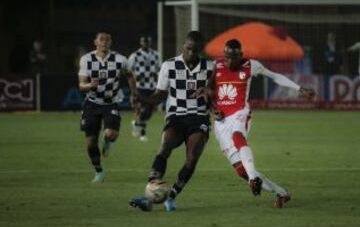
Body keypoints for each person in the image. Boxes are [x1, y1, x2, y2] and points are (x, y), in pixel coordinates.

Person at [195, 39, 315, 208]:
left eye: (234, 58)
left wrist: (299, 89)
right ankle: (282, 193)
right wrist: (212, 110)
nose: (230, 61)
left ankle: (253, 178)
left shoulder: (252, 65)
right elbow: (209, 90)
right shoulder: (218, 65)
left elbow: (275, 76)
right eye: (227, 57)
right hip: (221, 122)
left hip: (240, 113)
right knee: (240, 170)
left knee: (238, 136)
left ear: (241, 55)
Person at [129, 31, 213, 211]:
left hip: (199, 117)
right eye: (188, 49)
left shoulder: (210, 67)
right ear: (183, 45)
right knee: (165, 145)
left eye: (195, 50)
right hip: (176, 116)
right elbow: (159, 96)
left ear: (201, 50)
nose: (191, 53)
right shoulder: (169, 66)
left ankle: (172, 196)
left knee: (192, 158)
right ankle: (150, 194)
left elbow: (216, 95)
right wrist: (140, 98)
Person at [78, 31, 137, 183]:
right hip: (91, 103)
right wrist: (89, 85)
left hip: (111, 103)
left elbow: (130, 75)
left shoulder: (120, 59)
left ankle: (108, 141)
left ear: (110, 43)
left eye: (107, 40)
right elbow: (81, 84)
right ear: (95, 42)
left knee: (111, 134)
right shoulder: (86, 59)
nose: (104, 42)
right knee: (91, 142)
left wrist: (134, 94)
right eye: (101, 39)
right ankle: (99, 171)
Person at [128, 36, 160, 141]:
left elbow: (159, 69)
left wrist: (157, 77)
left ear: (150, 42)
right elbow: (128, 70)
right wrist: (134, 77)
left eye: (148, 41)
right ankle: (143, 134)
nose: (146, 43)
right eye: (144, 41)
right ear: (140, 43)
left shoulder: (156, 55)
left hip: (152, 86)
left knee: (149, 113)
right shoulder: (135, 55)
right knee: (144, 110)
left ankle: (136, 123)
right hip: (140, 87)